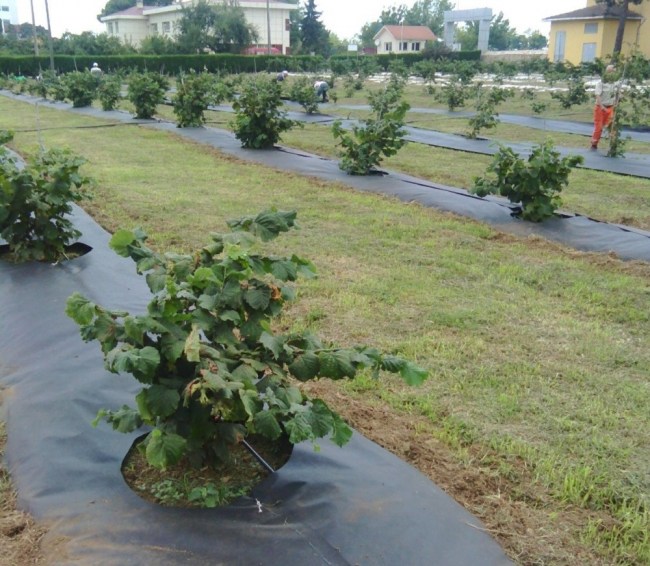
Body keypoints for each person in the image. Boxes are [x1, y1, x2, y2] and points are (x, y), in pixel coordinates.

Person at [590, 64, 620, 150]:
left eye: (613, 72)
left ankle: (612, 146)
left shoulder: (616, 83)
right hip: (600, 107)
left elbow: (618, 93)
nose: (611, 74)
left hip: (611, 107)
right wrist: (602, 107)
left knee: (612, 126)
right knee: (599, 127)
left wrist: (618, 99)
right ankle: (594, 144)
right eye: (610, 72)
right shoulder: (601, 83)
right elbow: (598, 95)